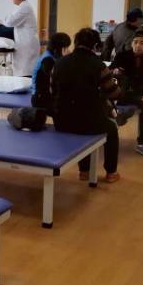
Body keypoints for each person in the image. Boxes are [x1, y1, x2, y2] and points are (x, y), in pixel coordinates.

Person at [52, 28, 121, 183]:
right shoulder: (99, 65)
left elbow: (53, 90)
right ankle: (111, 172)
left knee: (83, 116)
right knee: (111, 128)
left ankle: (84, 171)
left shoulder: (60, 63)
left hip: (62, 121)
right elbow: (113, 93)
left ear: (76, 43)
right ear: (96, 46)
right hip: (89, 122)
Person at [0, 0, 40, 76]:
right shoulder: (23, 6)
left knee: (25, 71)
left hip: (26, 43)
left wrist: (0, 22)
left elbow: (10, 22)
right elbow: (10, 20)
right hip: (24, 41)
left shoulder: (24, 7)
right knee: (24, 70)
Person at [30, 31, 71, 113]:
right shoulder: (47, 60)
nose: (68, 50)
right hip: (40, 99)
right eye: (66, 48)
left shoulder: (50, 55)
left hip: (44, 95)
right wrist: (66, 59)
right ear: (60, 48)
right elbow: (56, 80)